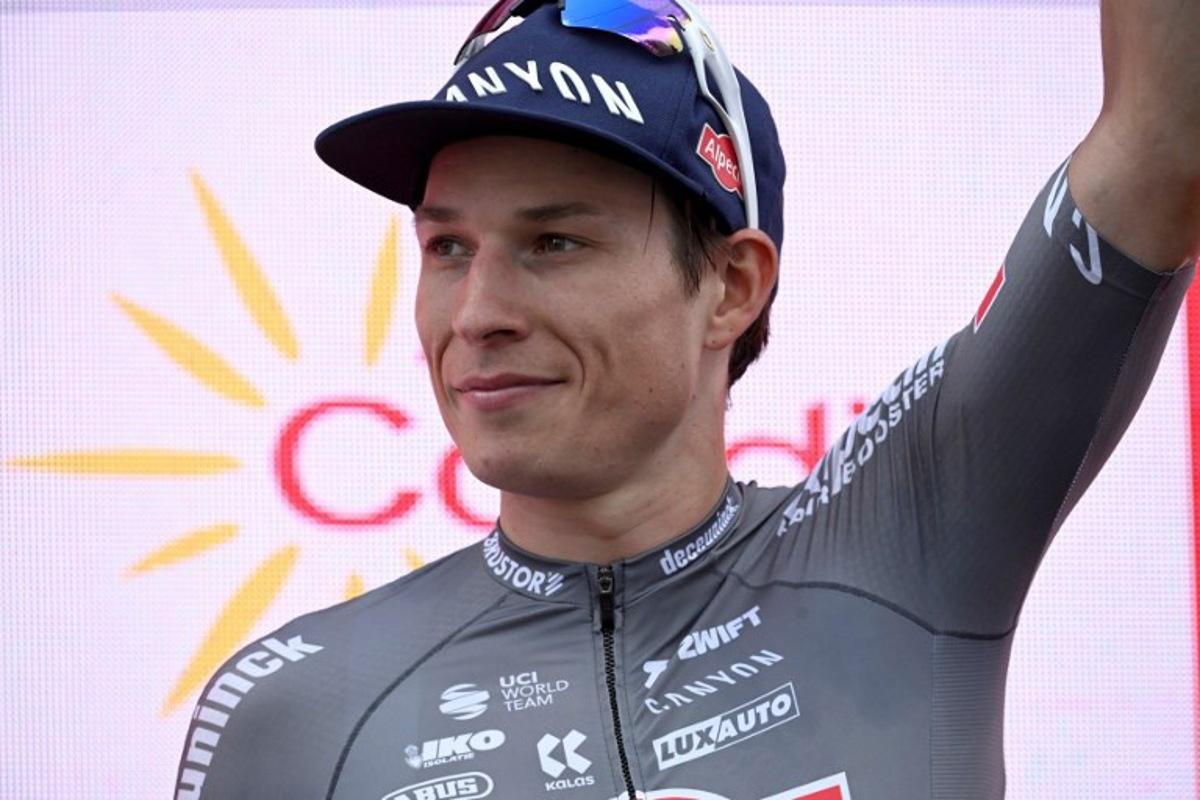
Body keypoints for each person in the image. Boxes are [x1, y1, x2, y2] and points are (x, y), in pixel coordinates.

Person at [173, 1, 1198, 798]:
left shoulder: (911, 540)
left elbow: (1167, 136)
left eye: (553, 242)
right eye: (447, 246)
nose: (475, 311)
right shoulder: (291, 709)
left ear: (731, 284)